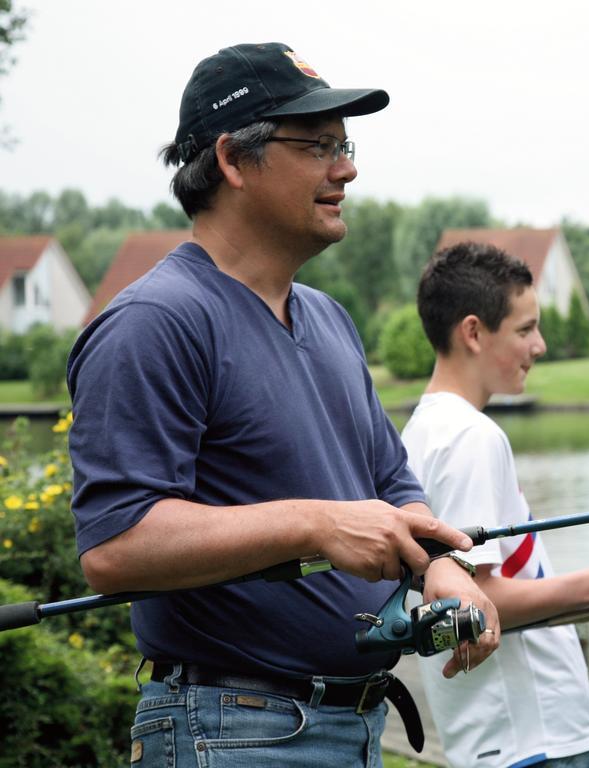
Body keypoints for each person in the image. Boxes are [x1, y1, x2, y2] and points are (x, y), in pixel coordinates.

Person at [66, 42, 497, 768]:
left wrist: (441, 572)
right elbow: (115, 547)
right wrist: (315, 522)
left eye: (345, 144)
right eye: (319, 146)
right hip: (230, 731)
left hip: (353, 728)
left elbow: (393, 489)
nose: (348, 168)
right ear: (234, 161)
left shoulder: (328, 318)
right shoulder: (156, 321)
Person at [401, 242, 589, 768]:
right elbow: (473, 598)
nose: (541, 345)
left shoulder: (424, 430)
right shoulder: (470, 438)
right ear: (474, 333)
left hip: (504, 738)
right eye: (526, 330)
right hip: (531, 739)